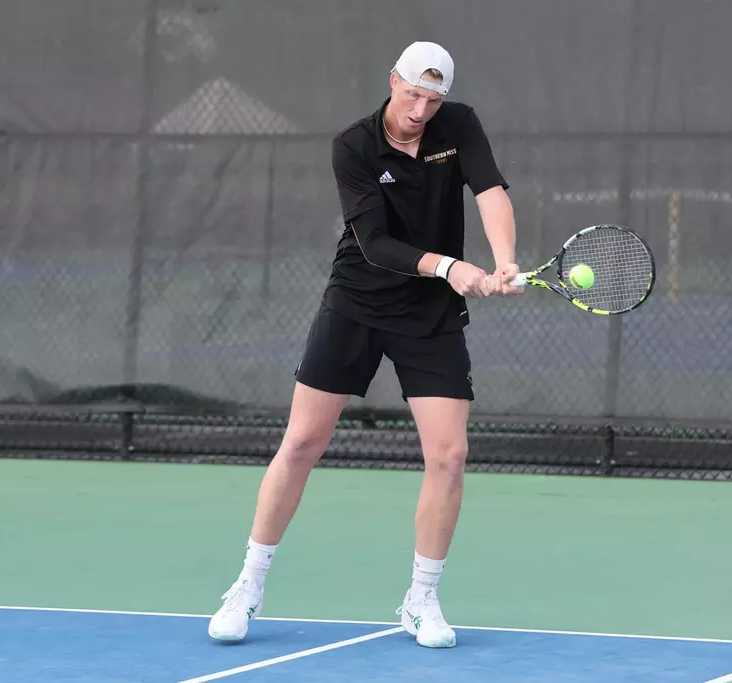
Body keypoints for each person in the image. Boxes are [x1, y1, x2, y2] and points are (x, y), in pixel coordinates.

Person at [207, 40, 521, 649]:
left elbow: (489, 192)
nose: (421, 110)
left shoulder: (459, 126)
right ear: (393, 81)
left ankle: (421, 600)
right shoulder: (352, 145)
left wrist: (503, 260)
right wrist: (452, 267)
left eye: (433, 100)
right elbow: (376, 244)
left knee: (449, 455)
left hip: (429, 315)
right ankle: (247, 585)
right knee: (302, 442)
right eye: (413, 95)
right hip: (357, 302)